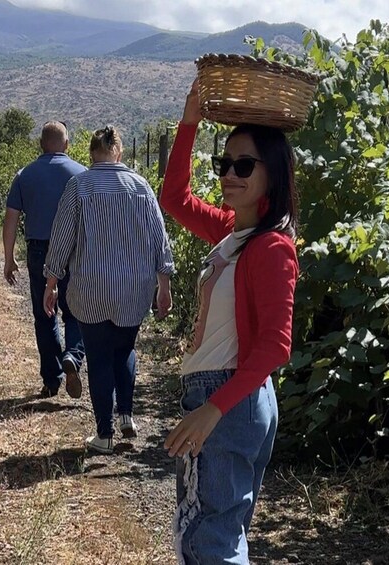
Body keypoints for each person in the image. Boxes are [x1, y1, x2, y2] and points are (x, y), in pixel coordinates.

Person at [160, 81, 299, 564]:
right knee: (219, 533)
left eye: (244, 165)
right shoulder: (235, 230)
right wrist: (189, 121)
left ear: (273, 173)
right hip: (232, 397)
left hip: (228, 398)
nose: (229, 175)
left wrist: (211, 410)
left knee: (208, 540)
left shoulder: (270, 246)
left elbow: (276, 346)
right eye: (225, 164)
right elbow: (174, 197)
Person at [44, 125, 174, 454]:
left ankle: (104, 433)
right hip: (134, 285)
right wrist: (164, 285)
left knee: (99, 357)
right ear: (119, 151)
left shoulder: (79, 185)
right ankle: (127, 414)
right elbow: (160, 238)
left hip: (91, 285)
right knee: (125, 350)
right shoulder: (140, 186)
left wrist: (51, 281)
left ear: (91, 152)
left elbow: (62, 238)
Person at [3, 121, 87, 399]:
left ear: (41, 145)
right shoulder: (82, 175)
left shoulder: (24, 175)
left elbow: (11, 220)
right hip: (75, 250)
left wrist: (9, 258)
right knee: (75, 310)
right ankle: (74, 355)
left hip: (39, 250)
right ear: (67, 145)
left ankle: (52, 379)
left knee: (44, 314)